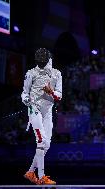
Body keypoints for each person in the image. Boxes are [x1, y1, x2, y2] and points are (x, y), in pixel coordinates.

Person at [21, 48, 62, 185]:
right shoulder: (30, 73)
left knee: (47, 144)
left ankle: (31, 172)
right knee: (41, 141)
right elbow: (24, 93)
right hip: (34, 109)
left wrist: (51, 92)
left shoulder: (57, 74)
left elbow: (59, 95)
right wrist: (26, 100)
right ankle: (41, 177)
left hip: (48, 111)